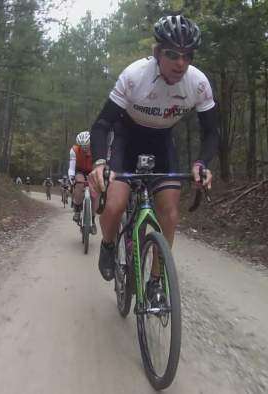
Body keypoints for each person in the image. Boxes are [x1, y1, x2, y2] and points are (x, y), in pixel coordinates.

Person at [87, 15, 219, 305]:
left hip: (162, 142)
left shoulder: (197, 84)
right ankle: (108, 245)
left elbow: (211, 132)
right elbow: (101, 125)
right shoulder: (134, 75)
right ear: (158, 52)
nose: (180, 63)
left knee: (169, 212)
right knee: (115, 204)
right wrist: (99, 163)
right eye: (172, 53)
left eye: (187, 55)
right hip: (127, 138)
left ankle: (156, 282)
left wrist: (201, 164)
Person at [68, 131, 98, 235]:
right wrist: (71, 177)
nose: (84, 148)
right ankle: (77, 209)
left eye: (86, 145)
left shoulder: (96, 149)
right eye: (82, 146)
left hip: (92, 170)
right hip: (79, 170)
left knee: (95, 194)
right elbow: (72, 166)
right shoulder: (74, 150)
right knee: (79, 184)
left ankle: (93, 220)